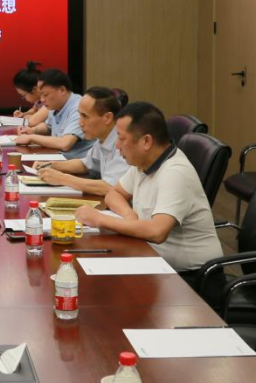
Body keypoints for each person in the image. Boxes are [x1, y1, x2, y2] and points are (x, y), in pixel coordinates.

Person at [74, 101, 222, 276]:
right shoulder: (143, 162)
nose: (117, 146)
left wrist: (99, 219)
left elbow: (157, 232)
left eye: (122, 138)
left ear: (146, 141)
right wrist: (129, 216)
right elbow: (114, 193)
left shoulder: (175, 172)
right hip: (150, 257)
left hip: (191, 276)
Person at [36, 86, 130, 195]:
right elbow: (86, 164)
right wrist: (52, 165)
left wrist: (62, 178)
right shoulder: (103, 137)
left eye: (85, 116)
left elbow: (110, 187)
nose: (80, 123)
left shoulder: (124, 143)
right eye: (80, 115)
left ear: (107, 118)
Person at [14, 69, 94, 159]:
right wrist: (33, 130)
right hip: (59, 157)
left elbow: (65, 144)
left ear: (62, 90)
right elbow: (48, 126)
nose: (42, 100)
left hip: (79, 162)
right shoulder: (55, 105)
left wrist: (32, 138)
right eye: (40, 95)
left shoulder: (78, 108)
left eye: (45, 95)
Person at [11, 61, 48, 126]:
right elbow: (34, 110)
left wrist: (23, 117)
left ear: (34, 89)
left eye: (24, 95)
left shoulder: (48, 101)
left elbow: (34, 120)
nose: (24, 98)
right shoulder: (38, 100)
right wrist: (24, 114)